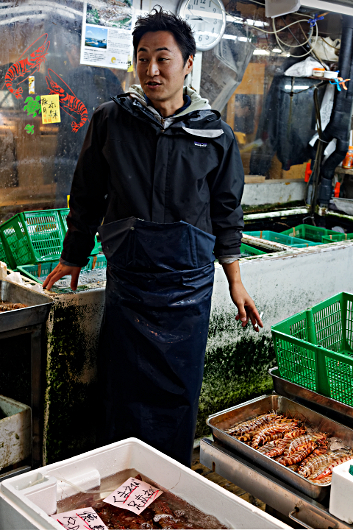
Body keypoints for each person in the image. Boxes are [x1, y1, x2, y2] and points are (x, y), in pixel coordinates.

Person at [43, 7, 263, 467]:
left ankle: (170, 482)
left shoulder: (215, 134)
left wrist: (235, 280)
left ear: (187, 63)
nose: (151, 69)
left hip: (189, 288)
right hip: (131, 285)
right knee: (122, 388)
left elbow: (226, 211)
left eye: (163, 57)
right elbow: (86, 194)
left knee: (179, 391)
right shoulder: (111, 121)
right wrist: (73, 257)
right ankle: (121, 481)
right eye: (142, 58)